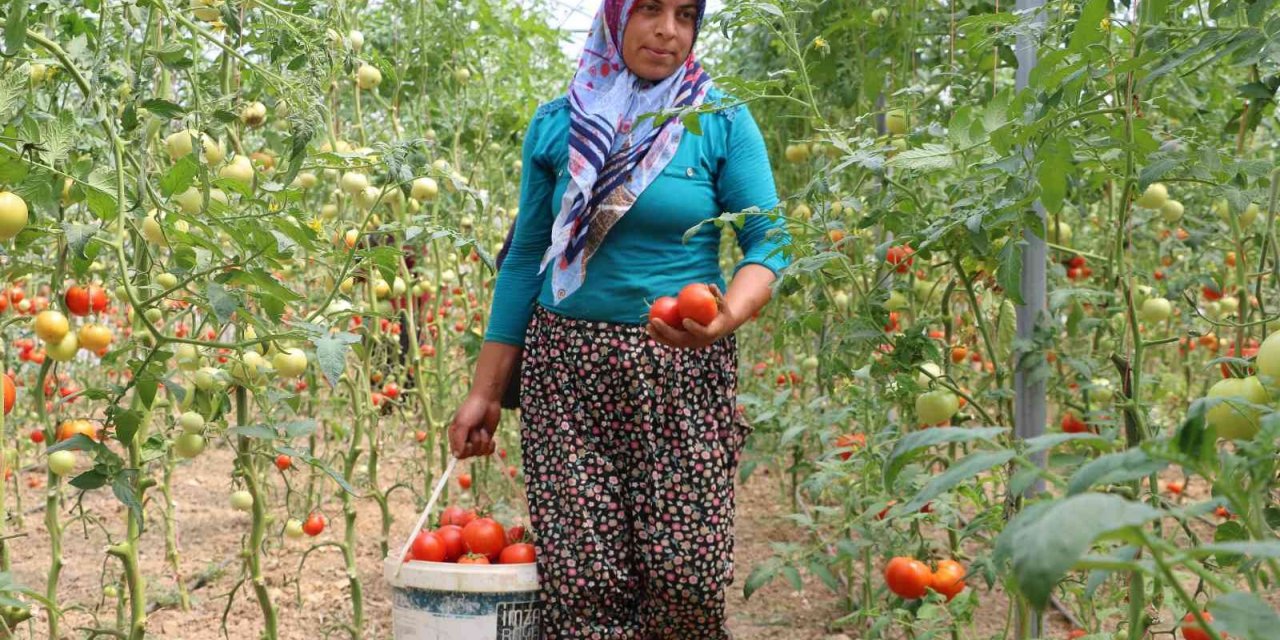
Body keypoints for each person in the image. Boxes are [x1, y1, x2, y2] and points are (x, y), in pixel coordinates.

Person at [447, 0, 790, 636]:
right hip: (566, 371)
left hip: (681, 370)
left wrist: (724, 319)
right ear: (615, 17)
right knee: (585, 579)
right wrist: (483, 391)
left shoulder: (720, 121)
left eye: (686, 14)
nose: (668, 29)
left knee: (686, 575)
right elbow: (525, 258)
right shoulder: (558, 124)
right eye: (650, 9)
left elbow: (769, 243)